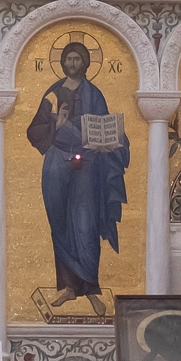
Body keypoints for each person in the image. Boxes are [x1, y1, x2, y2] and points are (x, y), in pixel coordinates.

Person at [25, 40, 129, 316]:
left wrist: (110, 143)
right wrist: (56, 125)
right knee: (59, 223)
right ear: (62, 63)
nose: (72, 64)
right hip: (57, 162)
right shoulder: (53, 94)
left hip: (89, 165)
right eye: (69, 59)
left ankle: (92, 289)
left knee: (86, 224)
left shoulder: (94, 94)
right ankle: (68, 288)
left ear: (85, 63)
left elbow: (106, 126)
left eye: (77, 59)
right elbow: (34, 129)